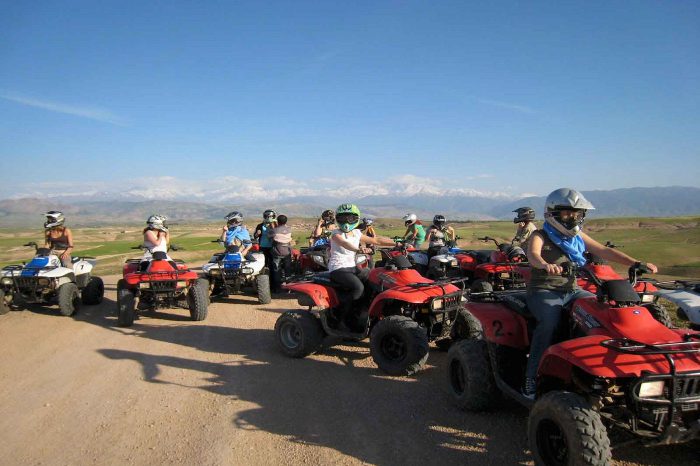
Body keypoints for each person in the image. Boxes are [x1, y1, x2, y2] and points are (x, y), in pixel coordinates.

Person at [523, 188, 657, 398]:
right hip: (544, 290)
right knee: (549, 324)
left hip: (573, 291)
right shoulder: (539, 235)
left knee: (605, 313)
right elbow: (533, 255)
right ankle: (531, 378)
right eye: (568, 213)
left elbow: (604, 251)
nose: (573, 218)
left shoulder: (577, 235)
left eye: (577, 214)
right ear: (552, 214)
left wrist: (636, 263)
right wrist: (544, 265)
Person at [328, 204, 395, 331]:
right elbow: (344, 243)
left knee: (374, 278)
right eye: (343, 218)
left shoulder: (357, 232)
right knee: (358, 287)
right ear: (337, 219)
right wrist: (358, 248)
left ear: (356, 219)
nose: (347, 222)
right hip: (338, 268)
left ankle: (365, 312)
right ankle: (341, 316)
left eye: (350, 218)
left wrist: (397, 242)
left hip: (352, 267)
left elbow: (377, 240)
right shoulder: (336, 233)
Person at [268, 214, 293, 292]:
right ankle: (289, 288)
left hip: (277, 253)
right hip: (287, 252)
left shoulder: (274, 230)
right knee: (288, 270)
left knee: (276, 270)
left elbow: (269, 236)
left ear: (277, 221)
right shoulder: (289, 229)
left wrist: (272, 226)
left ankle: (277, 289)